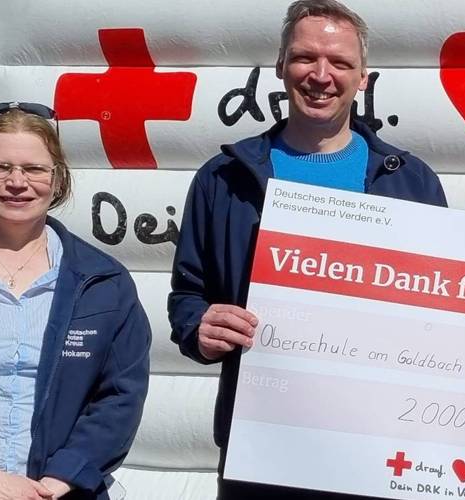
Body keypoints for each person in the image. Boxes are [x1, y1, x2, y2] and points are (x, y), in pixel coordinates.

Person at [167, 0, 446, 497]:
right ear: (280, 66)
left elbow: (443, 307)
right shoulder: (224, 178)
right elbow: (189, 294)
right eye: (304, 58)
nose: (321, 75)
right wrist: (199, 327)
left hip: (379, 446)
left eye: (340, 62)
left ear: (363, 78)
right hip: (263, 446)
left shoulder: (410, 181)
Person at [0, 102, 151, 499]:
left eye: (34, 169)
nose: (17, 182)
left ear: (57, 178)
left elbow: (121, 396)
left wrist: (58, 481)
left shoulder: (104, 282)